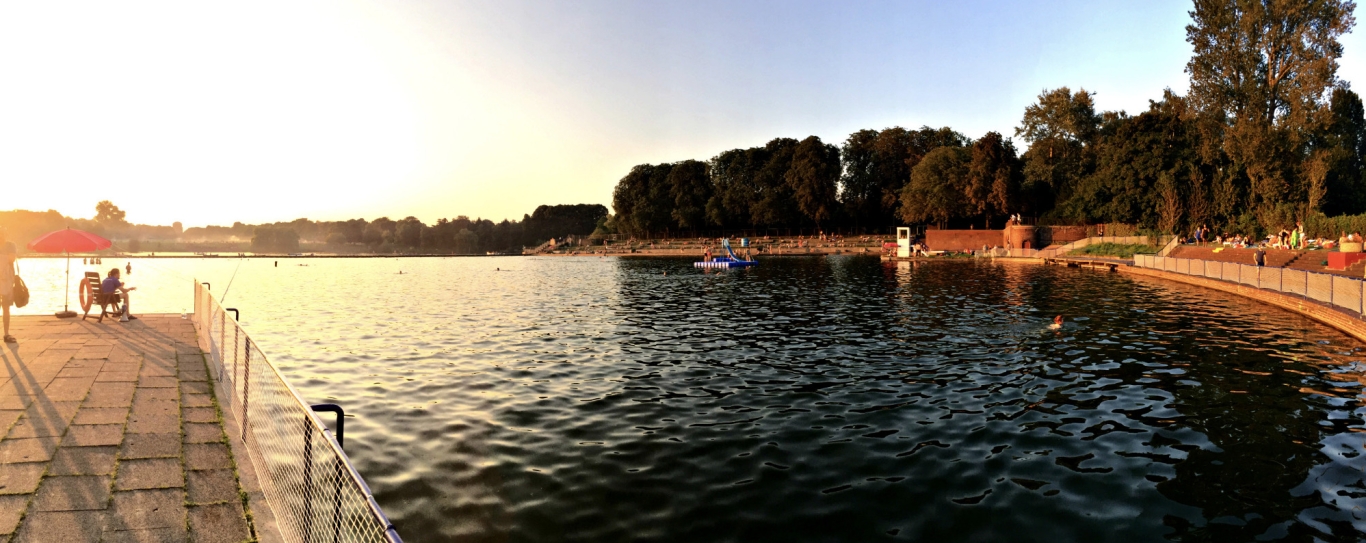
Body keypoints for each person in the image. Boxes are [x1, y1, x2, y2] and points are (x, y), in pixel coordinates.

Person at [1, 228, 15, 343]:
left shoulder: (10, 245)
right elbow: (9, 258)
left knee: (6, 307)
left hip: (7, 280)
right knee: (6, 307)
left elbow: (12, 259)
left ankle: (6, 333)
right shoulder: (10, 247)